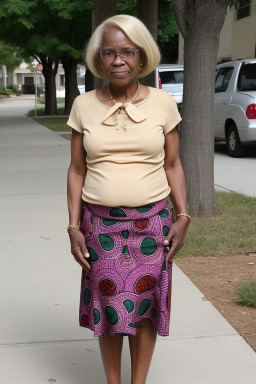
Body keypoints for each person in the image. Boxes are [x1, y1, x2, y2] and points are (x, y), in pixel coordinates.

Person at [67, 14, 190, 384]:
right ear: (98, 59)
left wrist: (183, 216)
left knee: (145, 307)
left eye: (127, 52)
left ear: (141, 57)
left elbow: (172, 164)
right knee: (110, 307)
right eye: (108, 52)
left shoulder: (164, 103)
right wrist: (73, 225)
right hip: (100, 226)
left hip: (153, 224)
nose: (118, 60)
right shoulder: (83, 105)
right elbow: (76, 171)